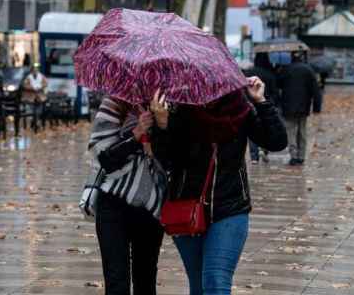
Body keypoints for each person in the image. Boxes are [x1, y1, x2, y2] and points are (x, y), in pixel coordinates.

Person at [154, 77, 287, 295]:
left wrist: (262, 102)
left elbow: (276, 141)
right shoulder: (180, 109)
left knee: (216, 282)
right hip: (186, 210)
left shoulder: (239, 108)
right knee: (198, 286)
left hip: (230, 208)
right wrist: (162, 124)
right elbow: (167, 160)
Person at [88, 93, 167, 295]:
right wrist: (137, 133)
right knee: (116, 282)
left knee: (145, 281)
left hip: (151, 206)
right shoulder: (114, 104)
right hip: (113, 204)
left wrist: (162, 127)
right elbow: (104, 159)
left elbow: (176, 162)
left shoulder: (168, 107)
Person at [277, 52, 322, 165]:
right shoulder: (308, 70)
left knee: (291, 131)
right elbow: (316, 90)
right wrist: (317, 107)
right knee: (302, 131)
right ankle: (301, 156)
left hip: (288, 105)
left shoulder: (286, 69)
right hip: (304, 105)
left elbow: (278, 84)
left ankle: (293, 156)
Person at [244, 53, 280, 164]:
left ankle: (254, 157)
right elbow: (275, 92)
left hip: (250, 105)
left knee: (252, 128)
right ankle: (264, 149)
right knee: (266, 127)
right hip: (265, 104)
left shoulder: (249, 73)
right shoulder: (270, 74)